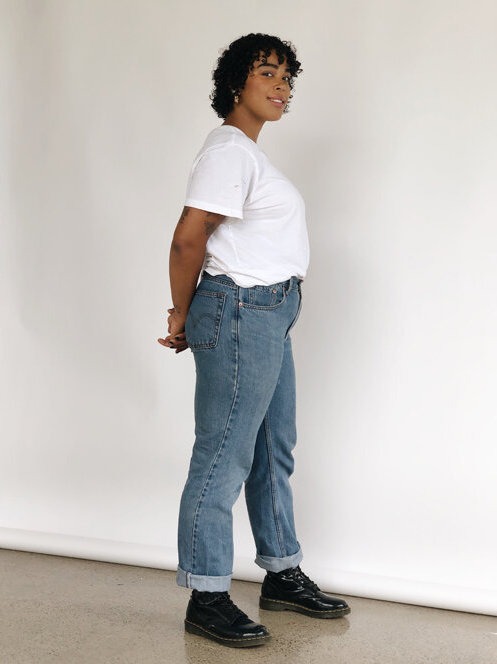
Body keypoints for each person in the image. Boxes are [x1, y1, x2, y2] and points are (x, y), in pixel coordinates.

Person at [158, 33, 350, 648]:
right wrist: (182, 314)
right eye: (267, 72)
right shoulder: (227, 151)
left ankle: (281, 572)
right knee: (223, 454)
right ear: (236, 82)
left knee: (273, 448)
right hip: (240, 309)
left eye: (288, 78)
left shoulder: (247, 155)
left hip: (267, 313)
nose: (281, 86)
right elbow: (189, 237)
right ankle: (207, 595)